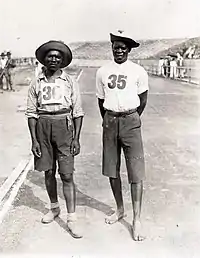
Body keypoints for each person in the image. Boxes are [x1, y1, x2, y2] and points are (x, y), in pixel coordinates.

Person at [26, 40, 84, 238]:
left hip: (64, 127)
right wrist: (34, 140)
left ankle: (72, 218)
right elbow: (31, 113)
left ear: (62, 60)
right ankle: (54, 207)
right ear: (44, 59)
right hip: (43, 126)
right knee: (48, 172)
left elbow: (78, 112)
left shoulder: (69, 81)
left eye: (57, 57)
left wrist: (76, 138)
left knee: (67, 175)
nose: (53, 59)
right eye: (50, 56)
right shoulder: (37, 82)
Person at [96, 30, 149, 241]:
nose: (119, 50)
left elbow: (142, 99)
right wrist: (110, 118)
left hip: (130, 120)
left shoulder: (138, 71)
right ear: (112, 48)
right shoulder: (102, 71)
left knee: (136, 171)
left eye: (122, 47)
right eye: (115, 46)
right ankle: (119, 209)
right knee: (112, 168)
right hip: (110, 120)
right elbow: (101, 101)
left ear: (128, 49)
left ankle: (137, 219)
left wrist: (131, 117)